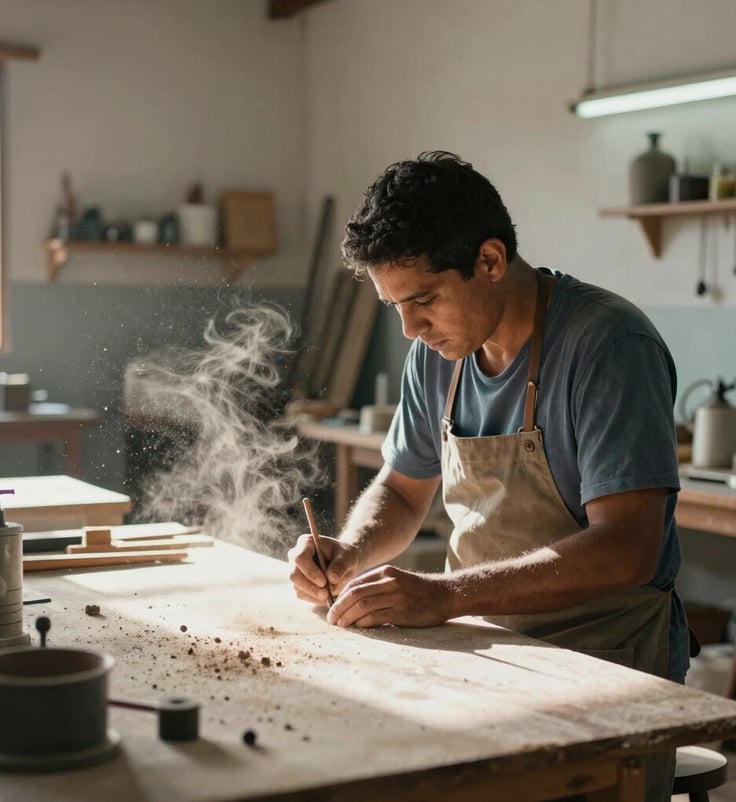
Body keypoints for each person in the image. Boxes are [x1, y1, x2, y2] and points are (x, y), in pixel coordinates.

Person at [287, 151, 688, 802]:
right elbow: (401, 489)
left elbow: (628, 549)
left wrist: (446, 595)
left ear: (491, 261)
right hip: (483, 648)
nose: (411, 329)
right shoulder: (438, 354)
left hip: (605, 663)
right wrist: (351, 551)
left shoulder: (608, 345)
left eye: (423, 300)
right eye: (395, 306)